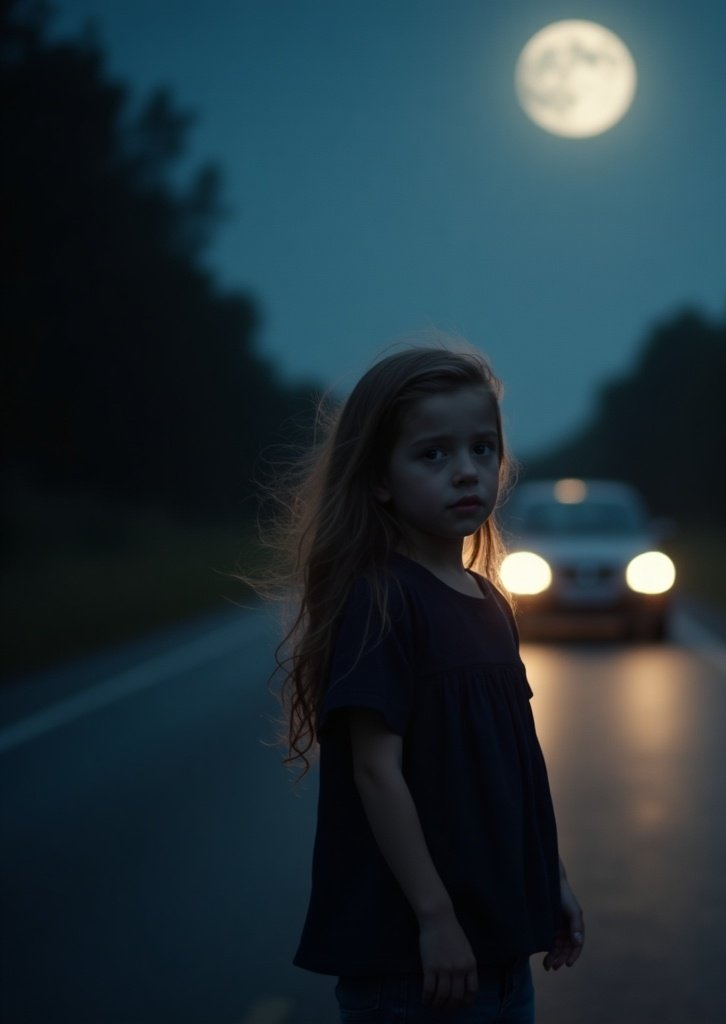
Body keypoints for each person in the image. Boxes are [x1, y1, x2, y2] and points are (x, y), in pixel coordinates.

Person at [269, 345, 584, 1022]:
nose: (466, 472)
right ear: (380, 478)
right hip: (415, 967)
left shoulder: (489, 599)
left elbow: (513, 767)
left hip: (500, 956)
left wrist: (549, 879)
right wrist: (435, 920)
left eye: (482, 448)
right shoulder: (382, 602)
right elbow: (376, 773)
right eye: (433, 454)